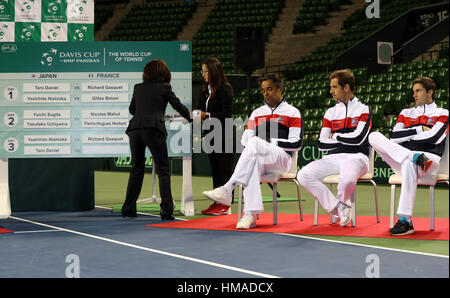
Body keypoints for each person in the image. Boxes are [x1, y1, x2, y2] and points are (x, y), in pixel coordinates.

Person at [202, 73, 303, 229]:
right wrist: (259, 144)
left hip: (283, 160)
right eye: (263, 90)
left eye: (269, 89)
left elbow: (296, 143)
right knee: (253, 162)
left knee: (255, 142)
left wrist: (270, 142)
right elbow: (245, 140)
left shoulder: (292, 112)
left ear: (280, 89)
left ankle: (228, 188)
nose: (266, 93)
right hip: (261, 156)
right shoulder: (257, 113)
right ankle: (249, 215)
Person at [369, 77, 448, 236]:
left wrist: (407, 138)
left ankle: (405, 220)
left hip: (429, 161)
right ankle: (413, 156)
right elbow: (393, 137)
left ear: (430, 92)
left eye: (418, 91)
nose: (414, 95)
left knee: (408, 164)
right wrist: (419, 130)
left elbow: (434, 138)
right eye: (413, 92)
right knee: (373, 136)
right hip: (409, 158)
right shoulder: (406, 113)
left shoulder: (443, 113)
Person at [297, 69, 372, 227]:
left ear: (346, 87)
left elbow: (359, 140)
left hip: (357, 157)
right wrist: (345, 139)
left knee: (347, 179)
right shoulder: (330, 112)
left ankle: (341, 208)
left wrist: (335, 136)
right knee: (303, 175)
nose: (330, 91)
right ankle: (338, 207)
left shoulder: (364, 109)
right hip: (332, 158)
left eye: (334, 87)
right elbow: (321, 143)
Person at [122, 59, 192, 220]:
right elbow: (177, 105)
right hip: (153, 129)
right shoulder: (165, 87)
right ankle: (166, 210)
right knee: (163, 170)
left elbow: (132, 110)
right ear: (164, 73)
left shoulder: (138, 87)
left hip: (135, 130)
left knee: (136, 169)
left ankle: (128, 208)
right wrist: (190, 117)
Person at [197, 58, 235, 216]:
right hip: (210, 134)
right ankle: (217, 201)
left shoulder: (225, 89)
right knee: (216, 170)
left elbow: (227, 114)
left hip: (225, 134)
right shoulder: (205, 90)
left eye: (206, 71)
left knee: (224, 171)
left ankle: (226, 205)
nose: (203, 74)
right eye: (202, 71)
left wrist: (207, 115)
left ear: (213, 71)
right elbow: (200, 110)